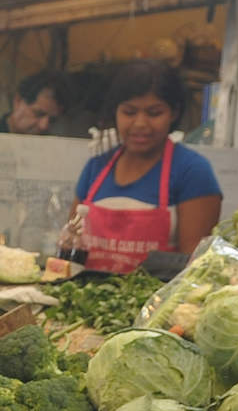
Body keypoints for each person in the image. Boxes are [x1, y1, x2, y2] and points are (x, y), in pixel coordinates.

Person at [70, 60, 223, 273]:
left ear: (174, 113)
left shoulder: (192, 171)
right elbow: (71, 242)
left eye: (154, 113)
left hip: (157, 304)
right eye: (129, 112)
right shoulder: (96, 168)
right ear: (116, 112)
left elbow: (195, 267)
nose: (140, 123)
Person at [0, 71, 69, 135]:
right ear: (18, 101)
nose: (44, 126)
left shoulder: (50, 148)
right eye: (38, 114)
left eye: (52, 120)